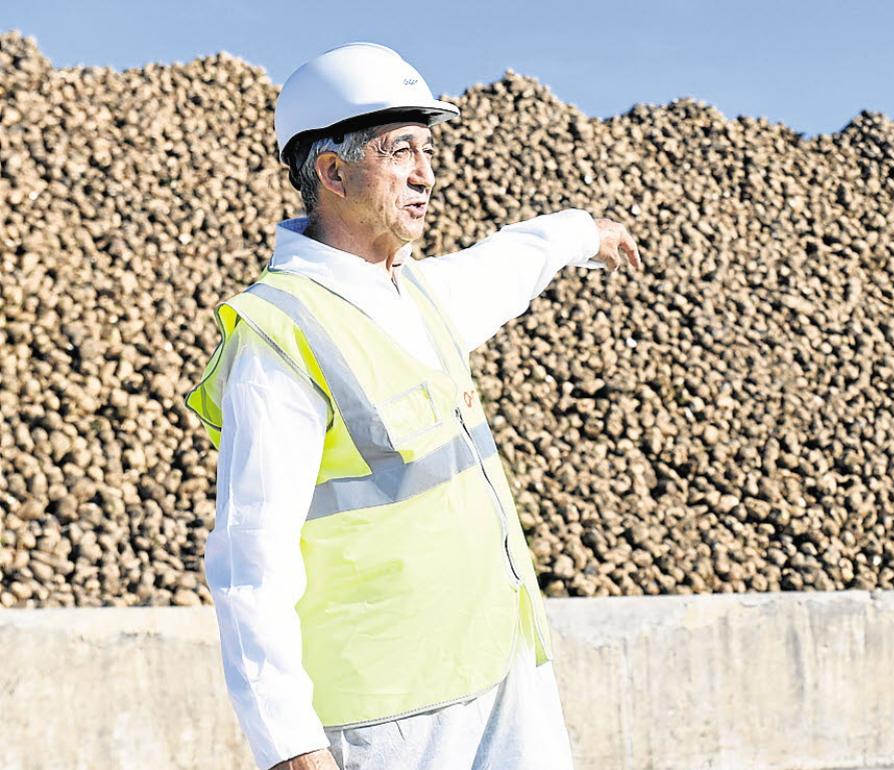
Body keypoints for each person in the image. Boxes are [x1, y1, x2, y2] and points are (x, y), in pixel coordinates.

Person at [184, 42, 640, 770]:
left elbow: (508, 261)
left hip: (505, 673)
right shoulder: (282, 335)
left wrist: (586, 233)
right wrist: (291, 744)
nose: (426, 173)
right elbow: (250, 557)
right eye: (400, 152)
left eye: (427, 150)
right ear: (332, 171)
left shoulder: (421, 296)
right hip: (391, 720)